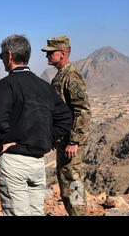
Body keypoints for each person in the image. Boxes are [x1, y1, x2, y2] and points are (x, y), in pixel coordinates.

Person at [0, 35, 73, 216]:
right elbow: (66, 117)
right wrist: (47, 139)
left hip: (14, 162)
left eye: (1, 56)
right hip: (37, 164)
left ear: (9, 55)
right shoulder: (44, 86)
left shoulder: (6, 85)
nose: (2, 59)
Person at [42, 35, 92, 216]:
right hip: (64, 141)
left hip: (71, 143)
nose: (47, 56)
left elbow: (83, 110)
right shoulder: (59, 77)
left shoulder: (71, 76)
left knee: (74, 185)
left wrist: (74, 141)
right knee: (66, 186)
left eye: (50, 53)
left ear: (63, 53)